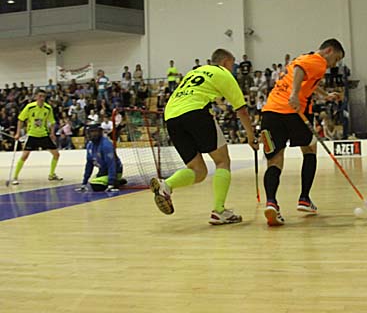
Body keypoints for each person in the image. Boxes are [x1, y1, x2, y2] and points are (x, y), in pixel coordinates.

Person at [150, 49, 258, 225]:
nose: (234, 68)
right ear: (225, 62)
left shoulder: (194, 72)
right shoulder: (223, 74)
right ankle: (219, 211)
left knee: (198, 171)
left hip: (171, 117)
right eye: (232, 64)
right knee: (222, 161)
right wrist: (251, 135)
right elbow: (242, 110)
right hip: (196, 112)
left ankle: (166, 186)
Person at [260, 38, 345, 226]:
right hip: (293, 111)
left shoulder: (304, 58)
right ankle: (304, 198)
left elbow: (307, 78)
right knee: (310, 149)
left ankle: (271, 203)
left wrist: (325, 95)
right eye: (336, 59)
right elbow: (301, 71)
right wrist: (294, 94)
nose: (334, 64)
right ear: (329, 51)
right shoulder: (319, 61)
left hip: (270, 112)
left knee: (274, 160)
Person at [11, 89, 62, 185]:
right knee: (24, 156)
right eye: (40, 96)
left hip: (44, 135)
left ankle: (51, 174)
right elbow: (20, 120)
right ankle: (15, 177)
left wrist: (52, 133)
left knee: (56, 154)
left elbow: (52, 122)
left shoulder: (48, 108)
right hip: (32, 135)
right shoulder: (29, 107)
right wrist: (18, 133)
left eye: (43, 96)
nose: (42, 98)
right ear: (35, 97)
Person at [75, 124, 125, 192]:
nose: (93, 134)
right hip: (103, 171)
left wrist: (111, 183)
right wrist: (84, 183)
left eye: (95, 131)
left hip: (116, 170)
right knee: (93, 181)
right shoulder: (89, 145)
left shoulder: (106, 145)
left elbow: (111, 164)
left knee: (96, 186)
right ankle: (118, 181)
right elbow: (89, 164)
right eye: (91, 132)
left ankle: (116, 180)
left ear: (100, 132)